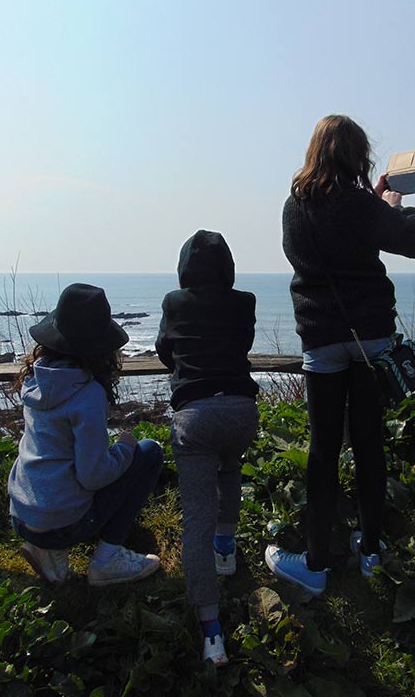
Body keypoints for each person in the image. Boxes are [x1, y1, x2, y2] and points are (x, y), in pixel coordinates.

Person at [265, 115, 415, 596]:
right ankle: (371, 551)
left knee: (323, 451)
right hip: (370, 338)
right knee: (368, 443)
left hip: (320, 337)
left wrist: (375, 203)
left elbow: (304, 259)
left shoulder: (294, 207)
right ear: (357, 155)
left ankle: (316, 565)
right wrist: (397, 207)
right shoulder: (363, 205)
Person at [8, 283, 164, 586]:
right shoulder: (87, 393)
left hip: (23, 514)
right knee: (149, 451)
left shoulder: (35, 380)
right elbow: (93, 476)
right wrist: (125, 447)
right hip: (61, 520)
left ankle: (49, 550)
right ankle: (108, 559)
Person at [156, 230, 259, 667]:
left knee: (194, 517)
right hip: (240, 412)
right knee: (230, 467)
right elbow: (244, 346)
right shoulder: (246, 302)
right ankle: (226, 550)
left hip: (195, 417)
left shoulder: (174, 303)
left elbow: (164, 350)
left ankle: (211, 630)